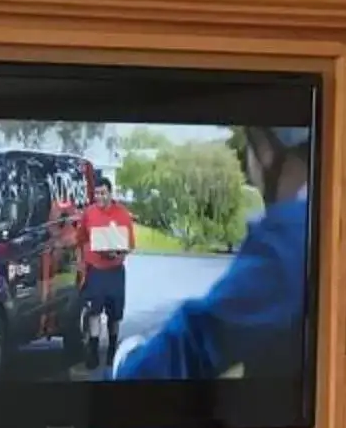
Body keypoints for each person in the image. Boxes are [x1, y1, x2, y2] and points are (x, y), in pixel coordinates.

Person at [113, 123, 311, 383]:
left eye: (249, 149)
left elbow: (201, 339)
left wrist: (130, 365)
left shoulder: (289, 237)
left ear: (265, 150)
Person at [77, 165, 135, 371]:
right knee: (94, 311)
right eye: (96, 193)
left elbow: (130, 245)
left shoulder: (122, 215)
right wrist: (82, 259)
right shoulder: (89, 213)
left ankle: (112, 349)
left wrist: (117, 253)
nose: (99, 197)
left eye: (103, 193)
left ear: (110, 193)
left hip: (115, 272)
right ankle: (93, 351)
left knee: (115, 315)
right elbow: (81, 237)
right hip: (95, 270)